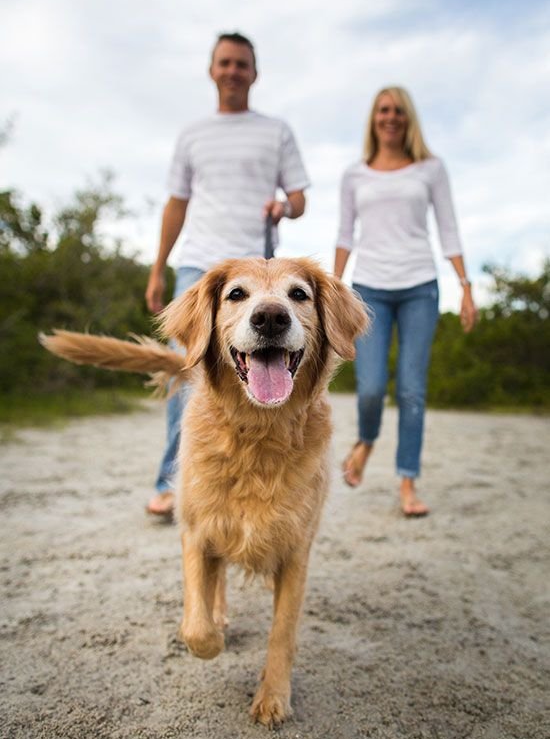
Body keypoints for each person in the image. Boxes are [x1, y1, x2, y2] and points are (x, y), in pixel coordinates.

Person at [145, 31, 309, 516]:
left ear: (254, 74)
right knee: (188, 370)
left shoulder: (276, 130)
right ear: (212, 69)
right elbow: (176, 204)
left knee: (269, 366)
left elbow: (300, 197)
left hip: (260, 271)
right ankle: (175, 483)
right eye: (225, 62)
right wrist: (159, 267)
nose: (233, 71)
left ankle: (265, 488)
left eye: (242, 64)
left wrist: (285, 206)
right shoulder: (193, 133)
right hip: (200, 267)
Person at [334, 85, 477, 517]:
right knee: (372, 387)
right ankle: (367, 440)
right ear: (373, 118)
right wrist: (333, 292)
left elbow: (448, 227)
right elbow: (344, 235)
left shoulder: (431, 169)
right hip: (369, 289)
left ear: (408, 117)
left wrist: (465, 285)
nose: (390, 117)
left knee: (412, 390)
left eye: (398, 110)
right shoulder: (354, 174)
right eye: (383, 110)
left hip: (420, 286)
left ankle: (408, 483)